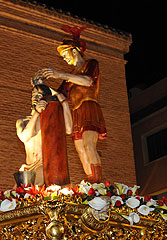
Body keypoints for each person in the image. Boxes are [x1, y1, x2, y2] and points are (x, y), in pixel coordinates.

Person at [39, 25, 107, 183]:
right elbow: (58, 95)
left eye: (65, 54)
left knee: (89, 145)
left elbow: (88, 81)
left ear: (74, 50)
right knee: (80, 149)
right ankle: (90, 182)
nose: (64, 58)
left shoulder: (90, 64)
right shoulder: (69, 77)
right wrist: (41, 87)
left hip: (89, 107)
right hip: (76, 112)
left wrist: (60, 74)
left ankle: (98, 183)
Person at [16, 74, 72, 186]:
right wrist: (36, 113)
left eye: (39, 95)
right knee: (15, 192)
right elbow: (25, 137)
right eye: (33, 95)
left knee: (35, 184)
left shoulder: (50, 121)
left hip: (44, 164)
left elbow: (69, 129)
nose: (35, 98)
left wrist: (64, 104)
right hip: (28, 166)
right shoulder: (23, 121)